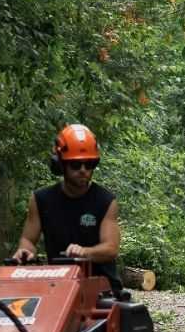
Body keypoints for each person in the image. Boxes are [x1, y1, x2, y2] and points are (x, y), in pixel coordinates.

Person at [13, 123, 123, 294]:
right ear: (60, 164)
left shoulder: (106, 200)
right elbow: (28, 239)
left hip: (103, 290)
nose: (83, 170)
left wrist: (85, 252)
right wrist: (24, 251)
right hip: (60, 287)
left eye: (89, 164)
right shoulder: (41, 199)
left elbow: (111, 248)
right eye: (75, 165)